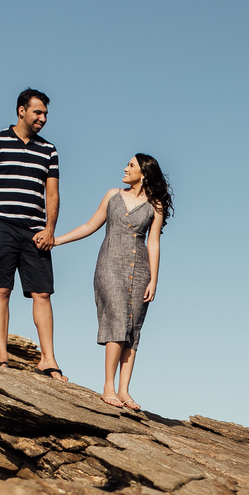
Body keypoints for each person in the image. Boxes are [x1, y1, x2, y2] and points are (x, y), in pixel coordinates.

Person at [55, 154, 173, 410]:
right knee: (117, 319)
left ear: (143, 173)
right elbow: (89, 226)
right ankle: (108, 386)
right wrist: (57, 240)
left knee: (132, 329)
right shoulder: (112, 196)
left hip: (140, 269)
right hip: (109, 265)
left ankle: (124, 390)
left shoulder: (156, 206)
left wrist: (154, 279)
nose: (125, 168)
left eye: (130, 165)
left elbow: (153, 243)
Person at [0, 88, 66, 380]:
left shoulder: (49, 150)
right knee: (1, 289)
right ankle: (2, 357)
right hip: (0, 224)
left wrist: (50, 229)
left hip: (35, 230)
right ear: (21, 110)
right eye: (38, 112)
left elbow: (52, 194)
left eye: (46, 114)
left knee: (43, 293)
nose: (43, 118)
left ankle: (48, 359)